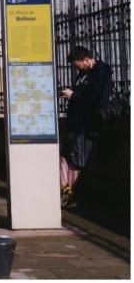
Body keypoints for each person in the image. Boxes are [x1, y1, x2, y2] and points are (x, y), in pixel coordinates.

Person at [59, 46, 114, 209]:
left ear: (87, 60)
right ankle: (63, 192)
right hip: (74, 123)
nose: (76, 68)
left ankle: (66, 195)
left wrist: (73, 95)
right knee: (64, 157)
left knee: (76, 161)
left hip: (85, 125)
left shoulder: (101, 73)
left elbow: (96, 100)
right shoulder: (84, 73)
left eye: (77, 65)